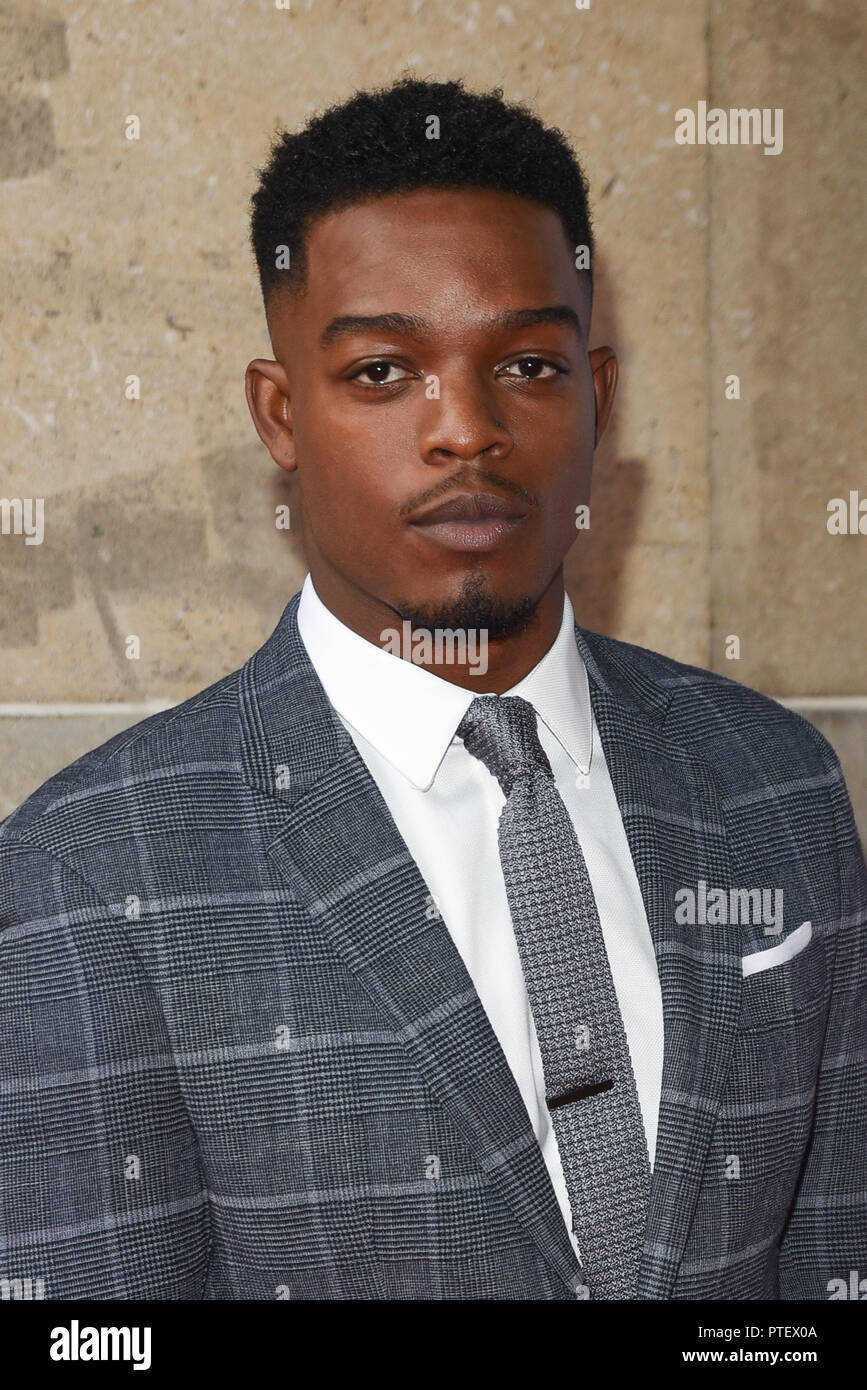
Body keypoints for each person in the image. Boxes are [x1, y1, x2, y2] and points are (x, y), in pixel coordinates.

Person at [1, 77, 864, 1301]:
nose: (467, 428)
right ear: (280, 414)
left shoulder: (775, 782)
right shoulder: (87, 873)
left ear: (598, 398)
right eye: (382, 372)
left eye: (523, 360)